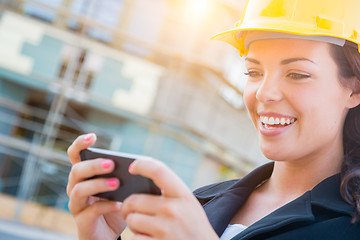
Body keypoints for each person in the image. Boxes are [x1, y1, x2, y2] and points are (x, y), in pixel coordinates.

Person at [66, 0, 360, 239]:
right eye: (254, 72)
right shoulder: (198, 204)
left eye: (297, 74)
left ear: (354, 89)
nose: (264, 93)